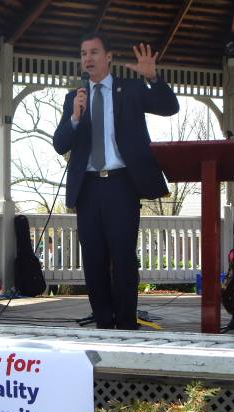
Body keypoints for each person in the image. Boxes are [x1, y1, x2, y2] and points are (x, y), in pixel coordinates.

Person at [53, 33, 179, 329]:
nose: (88, 58)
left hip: (122, 183)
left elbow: (169, 107)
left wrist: (153, 78)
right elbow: (60, 144)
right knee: (93, 258)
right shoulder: (75, 98)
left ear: (108, 56)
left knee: (122, 256)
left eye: (94, 52)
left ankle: (125, 323)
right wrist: (74, 118)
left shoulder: (131, 89)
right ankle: (103, 321)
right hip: (88, 187)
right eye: (83, 53)